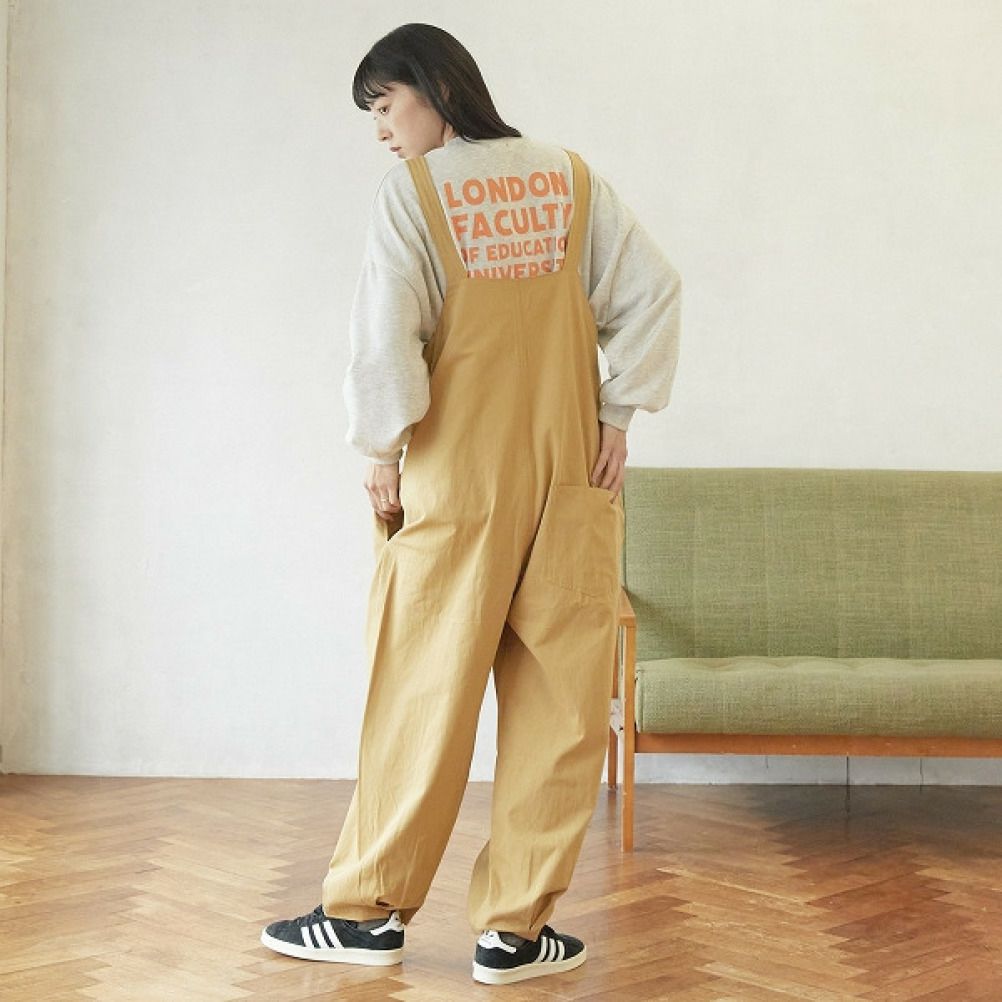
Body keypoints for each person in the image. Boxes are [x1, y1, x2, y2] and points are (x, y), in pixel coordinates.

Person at [260, 22, 681, 986]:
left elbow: (386, 335)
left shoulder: (414, 195)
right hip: (571, 476)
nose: (381, 130)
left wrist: (381, 448)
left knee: (421, 692)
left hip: (457, 480)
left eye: (385, 105)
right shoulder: (570, 179)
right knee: (561, 705)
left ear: (436, 89)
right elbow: (654, 291)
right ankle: (515, 934)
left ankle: (367, 916)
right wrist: (619, 413)